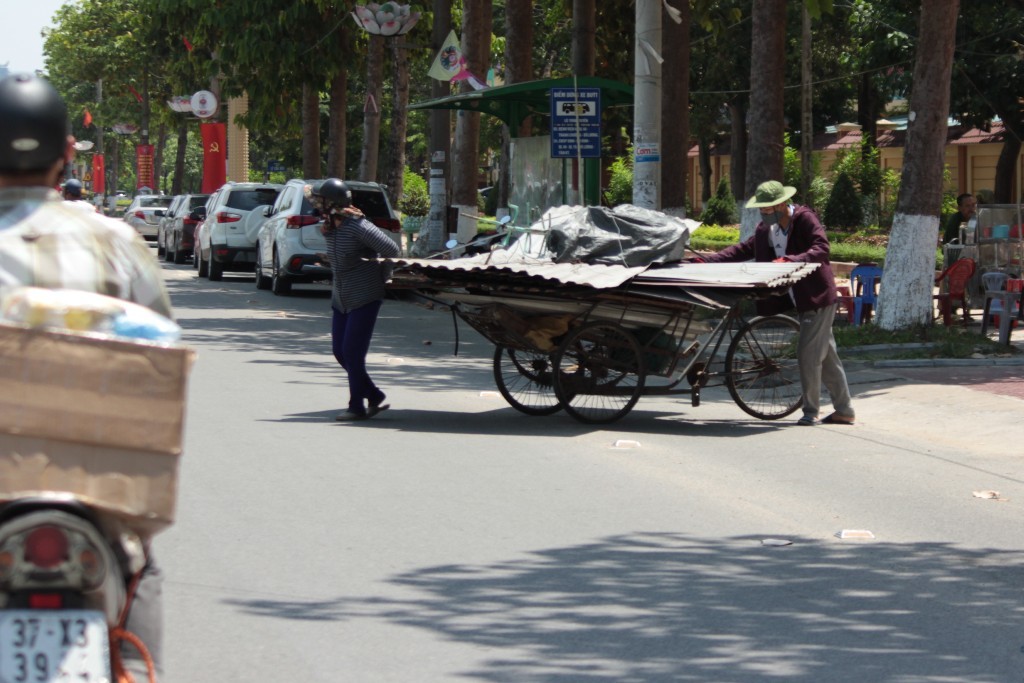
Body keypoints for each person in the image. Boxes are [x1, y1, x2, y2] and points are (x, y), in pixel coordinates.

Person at [0, 73, 170, 679]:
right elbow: (161, 354)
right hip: (94, 486)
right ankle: (130, 665)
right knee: (137, 563)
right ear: (67, 155)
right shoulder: (118, 241)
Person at [700, 180, 855, 426]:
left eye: (769, 208)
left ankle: (810, 411)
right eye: (762, 209)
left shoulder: (804, 219)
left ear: (782, 204)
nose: (765, 213)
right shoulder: (766, 230)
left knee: (807, 352)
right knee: (825, 356)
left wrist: (790, 260)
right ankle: (844, 410)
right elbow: (743, 249)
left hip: (817, 297)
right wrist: (708, 261)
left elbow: (821, 247)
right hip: (799, 297)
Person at [313, 178, 400, 421]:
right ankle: (373, 394)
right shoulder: (331, 227)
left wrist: (382, 274)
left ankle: (356, 406)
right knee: (340, 352)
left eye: (322, 202)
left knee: (352, 352)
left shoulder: (358, 226)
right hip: (341, 296)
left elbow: (392, 249)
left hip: (365, 295)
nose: (318, 206)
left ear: (332, 204)